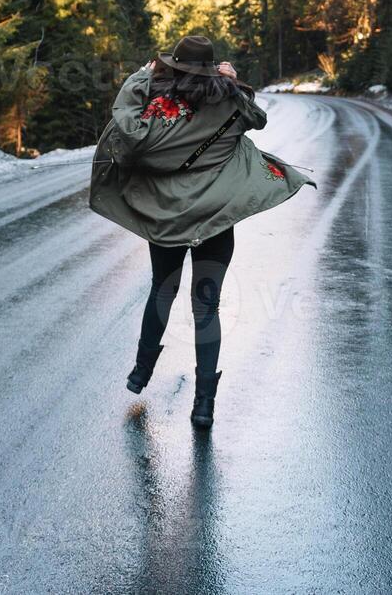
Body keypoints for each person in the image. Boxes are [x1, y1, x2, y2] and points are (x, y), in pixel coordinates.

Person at [90, 36, 315, 429]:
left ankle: (141, 372)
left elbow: (126, 126)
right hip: (216, 220)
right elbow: (257, 118)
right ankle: (204, 405)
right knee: (206, 306)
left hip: (167, 219)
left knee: (163, 288)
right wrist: (232, 81)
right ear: (213, 69)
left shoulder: (159, 112)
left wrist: (140, 79)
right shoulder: (230, 103)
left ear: (171, 68)